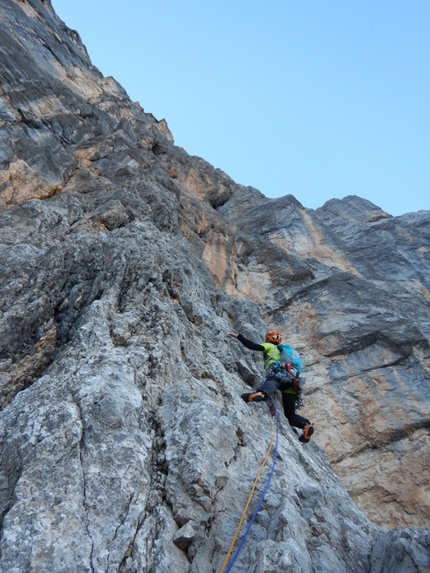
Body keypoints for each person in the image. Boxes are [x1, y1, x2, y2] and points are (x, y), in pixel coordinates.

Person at [227, 330, 314, 443]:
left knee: (273, 381)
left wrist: (239, 336)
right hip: (292, 382)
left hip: (280, 374)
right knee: (290, 414)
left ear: (268, 339)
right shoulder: (287, 353)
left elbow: (253, 346)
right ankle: (306, 425)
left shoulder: (270, 346)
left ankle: (261, 393)